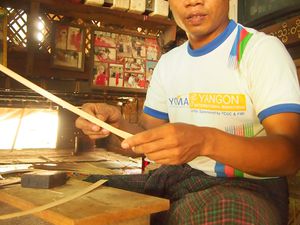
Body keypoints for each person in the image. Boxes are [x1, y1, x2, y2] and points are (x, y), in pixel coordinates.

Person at [76, 1, 300, 224]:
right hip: (177, 178)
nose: (192, 2)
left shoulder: (259, 50)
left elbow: (289, 154)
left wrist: (206, 141)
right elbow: (148, 135)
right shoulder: (170, 63)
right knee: (76, 192)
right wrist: (116, 125)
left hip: (247, 187)